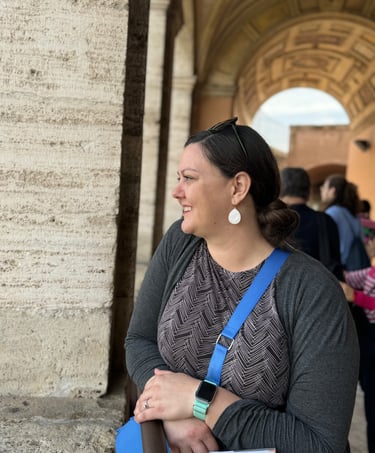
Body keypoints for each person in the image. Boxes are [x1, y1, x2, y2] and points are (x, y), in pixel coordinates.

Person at [125, 118, 359, 453]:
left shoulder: (311, 292)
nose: (177, 192)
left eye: (189, 179)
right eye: (178, 178)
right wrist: (170, 412)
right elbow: (139, 339)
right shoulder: (181, 242)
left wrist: (200, 400)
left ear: (238, 188)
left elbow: (321, 443)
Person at [280, 166, 343, 279]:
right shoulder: (326, 221)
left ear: (280, 190)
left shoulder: (271, 220)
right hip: (318, 290)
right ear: (309, 192)